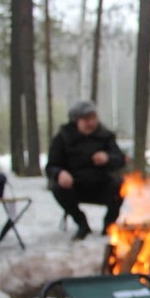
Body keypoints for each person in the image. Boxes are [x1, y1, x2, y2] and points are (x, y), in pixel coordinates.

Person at [45, 101, 126, 240]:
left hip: (101, 184)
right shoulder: (62, 138)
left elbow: (120, 159)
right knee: (57, 187)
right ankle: (82, 224)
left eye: (93, 118)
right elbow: (51, 166)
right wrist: (60, 173)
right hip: (74, 186)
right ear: (76, 120)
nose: (91, 123)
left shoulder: (106, 136)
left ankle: (109, 224)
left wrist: (107, 158)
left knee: (122, 185)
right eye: (86, 119)